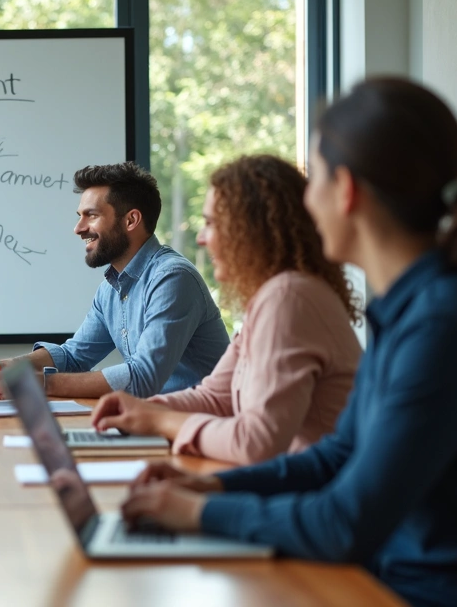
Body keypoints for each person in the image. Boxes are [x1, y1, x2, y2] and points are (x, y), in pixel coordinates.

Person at [120, 78, 457, 607]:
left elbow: (345, 523)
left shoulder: (442, 328)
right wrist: (214, 489)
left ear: (347, 189)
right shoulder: (411, 310)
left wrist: (198, 514)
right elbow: (338, 453)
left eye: (315, 179)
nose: (307, 202)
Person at [89, 155, 361, 465]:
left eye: (210, 224)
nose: (201, 239)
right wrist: (143, 409)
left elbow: (255, 442)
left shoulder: (289, 297)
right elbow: (216, 397)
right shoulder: (274, 296)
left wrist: (159, 421)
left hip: (316, 496)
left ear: (250, 229)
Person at [0, 162, 229, 398]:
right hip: (153, 421)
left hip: (197, 426)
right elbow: (75, 356)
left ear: (131, 220)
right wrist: (14, 366)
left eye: (91, 215)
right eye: (79, 215)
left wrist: (39, 383)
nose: (78, 228)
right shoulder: (111, 288)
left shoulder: (173, 278)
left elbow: (143, 377)